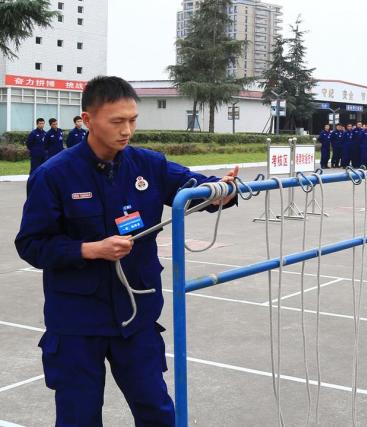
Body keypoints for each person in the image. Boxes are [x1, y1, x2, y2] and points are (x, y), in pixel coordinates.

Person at [15, 76, 239, 426]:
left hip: (137, 315)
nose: (127, 130)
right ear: (88, 120)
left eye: (132, 120)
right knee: (79, 417)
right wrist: (90, 249)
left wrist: (221, 191)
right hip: (78, 321)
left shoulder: (148, 165)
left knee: (157, 412)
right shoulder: (55, 175)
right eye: (117, 121)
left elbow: (193, 187)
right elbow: (30, 244)